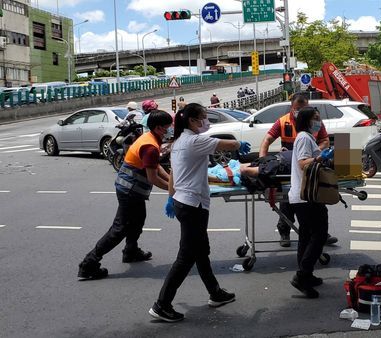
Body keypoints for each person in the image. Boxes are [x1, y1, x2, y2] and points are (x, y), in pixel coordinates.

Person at [149, 103, 251, 322]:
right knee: (186, 256)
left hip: (184, 202)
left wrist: (170, 197)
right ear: (192, 121)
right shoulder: (194, 140)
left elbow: (174, 174)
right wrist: (239, 144)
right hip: (192, 205)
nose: (206, 121)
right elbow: (226, 143)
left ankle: (215, 293)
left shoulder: (178, 142)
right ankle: (162, 304)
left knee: (201, 250)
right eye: (203, 118)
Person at [78, 110, 173, 280]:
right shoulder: (150, 146)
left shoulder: (149, 138)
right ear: (159, 128)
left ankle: (131, 251)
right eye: (168, 127)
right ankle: (89, 263)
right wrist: (172, 189)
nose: (170, 129)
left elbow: (155, 166)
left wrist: (172, 181)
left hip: (130, 189)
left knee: (138, 220)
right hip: (129, 190)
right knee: (119, 229)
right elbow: (153, 177)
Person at [259, 93, 337, 247]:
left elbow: (325, 141)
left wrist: (316, 150)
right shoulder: (284, 122)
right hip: (290, 165)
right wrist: (262, 160)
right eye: (297, 108)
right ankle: (285, 230)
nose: (300, 111)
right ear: (291, 107)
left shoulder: (313, 124)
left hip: (308, 169)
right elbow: (267, 139)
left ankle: (318, 233)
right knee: (287, 203)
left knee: (316, 200)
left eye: (303, 108)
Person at [288, 106, 334, 299]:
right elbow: (302, 162)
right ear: (307, 120)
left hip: (304, 196)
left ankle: (307, 274)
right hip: (307, 197)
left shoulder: (306, 137)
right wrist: (319, 157)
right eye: (315, 118)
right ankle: (302, 276)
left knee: (306, 236)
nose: (319, 121)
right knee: (320, 234)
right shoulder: (304, 138)